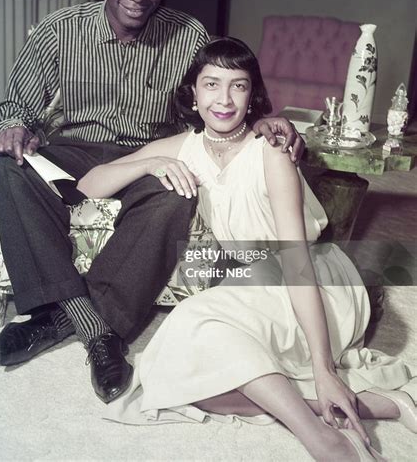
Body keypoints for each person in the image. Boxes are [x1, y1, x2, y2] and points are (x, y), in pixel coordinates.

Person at [0, 0, 303, 404]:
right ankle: (90, 322)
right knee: (7, 168)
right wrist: (12, 125)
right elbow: (16, 105)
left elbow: (222, 89)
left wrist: (261, 120)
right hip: (72, 150)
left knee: (179, 193)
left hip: (151, 156)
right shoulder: (59, 29)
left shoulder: (188, 34)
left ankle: (73, 321)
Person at [77, 37, 416, 461]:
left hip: (310, 279)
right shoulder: (181, 146)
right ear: (193, 93)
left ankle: (319, 437)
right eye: (211, 84)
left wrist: (324, 368)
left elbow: (296, 262)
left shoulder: (269, 151)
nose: (223, 99)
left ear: (252, 95)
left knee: (194, 323)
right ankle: (374, 407)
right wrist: (148, 164)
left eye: (238, 86)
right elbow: (88, 184)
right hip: (248, 277)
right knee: (186, 378)